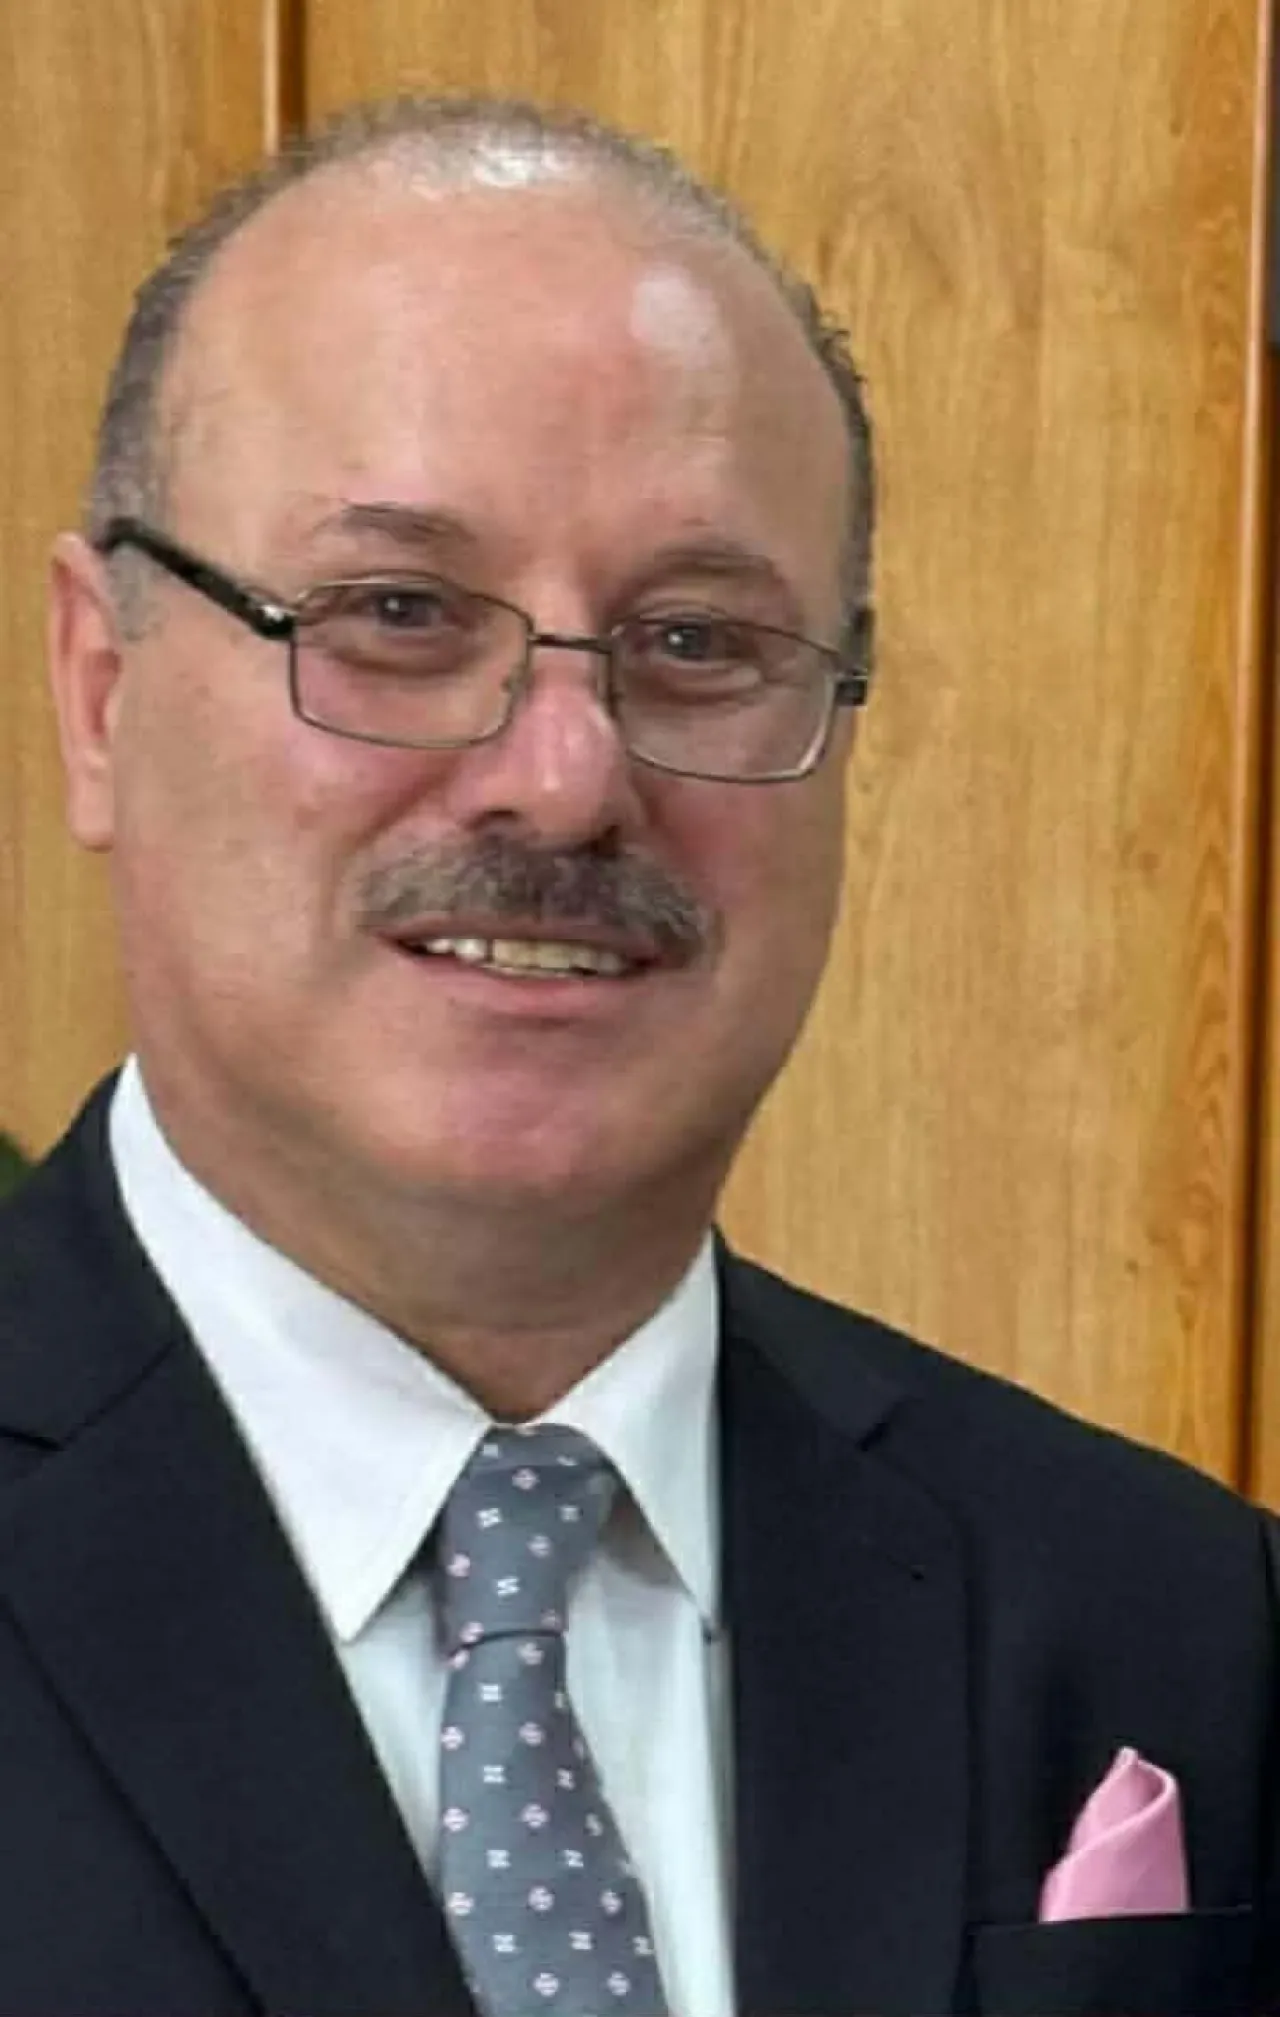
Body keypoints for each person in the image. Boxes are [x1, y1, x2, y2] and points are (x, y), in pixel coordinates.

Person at [0, 96, 1275, 2017]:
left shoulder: (1178, 1618)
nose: (565, 778)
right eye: (398, 615)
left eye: (698, 642)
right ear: (100, 694)